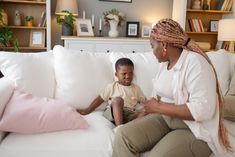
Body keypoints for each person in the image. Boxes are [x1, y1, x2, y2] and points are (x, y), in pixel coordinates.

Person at [112, 18, 232, 157]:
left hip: (193, 129)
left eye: (152, 46)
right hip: (165, 118)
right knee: (123, 136)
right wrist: (144, 112)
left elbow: (203, 110)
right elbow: (156, 98)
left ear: (163, 45)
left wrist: (158, 107)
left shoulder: (196, 63)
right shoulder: (164, 65)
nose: (152, 51)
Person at [77, 58, 146, 126]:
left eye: (130, 73)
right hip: (113, 112)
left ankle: (127, 126)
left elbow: (144, 101)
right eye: (124, 74)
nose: (128, 76)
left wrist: (142, 103)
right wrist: (87, 110)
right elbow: (100, 99)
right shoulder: (112, 86)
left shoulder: (136, 88)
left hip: (129, 114)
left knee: (146, 113)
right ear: (116, 74)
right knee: (118, 100)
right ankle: (119, 127)